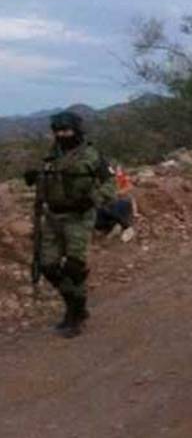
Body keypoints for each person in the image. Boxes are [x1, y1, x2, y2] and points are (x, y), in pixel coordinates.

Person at [23, 111, 115, 338]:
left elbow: (111, 184)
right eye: (58, 131)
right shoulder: (51, 155)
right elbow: (50, 178)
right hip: (52, 216)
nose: (62, 134)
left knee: (74, 268)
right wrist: (36, 177)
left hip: (79, 217)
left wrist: (92, 199)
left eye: (67, 130)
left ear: (76, 130)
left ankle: (75, 314)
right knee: (48, 266)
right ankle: (75, 306)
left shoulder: (91, 155)